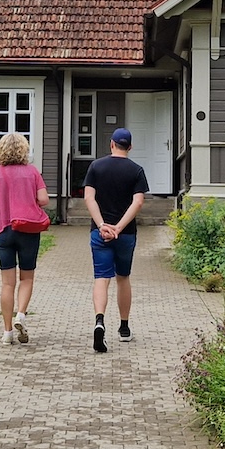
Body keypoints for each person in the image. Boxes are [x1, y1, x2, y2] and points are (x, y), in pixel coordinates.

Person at [82, 126, 148, 353]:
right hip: (125, 234)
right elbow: (138, 202)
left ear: (111, 144)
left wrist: (102, 225)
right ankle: (124, 328)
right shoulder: (136, 170)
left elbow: (88, 198)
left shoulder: (95, 167)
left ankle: (99, 321)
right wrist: (119, 228)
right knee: (123, 278)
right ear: (129, 147)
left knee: (102, 277)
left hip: (100, 233)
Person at [0, 133, 50, 345]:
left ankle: (7, 332)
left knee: (7, 284)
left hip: (3, 230)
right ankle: (20, 314)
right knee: (27, 278)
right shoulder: (32, 172)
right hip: (28, 230)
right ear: (24, 150)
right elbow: (44, 200)